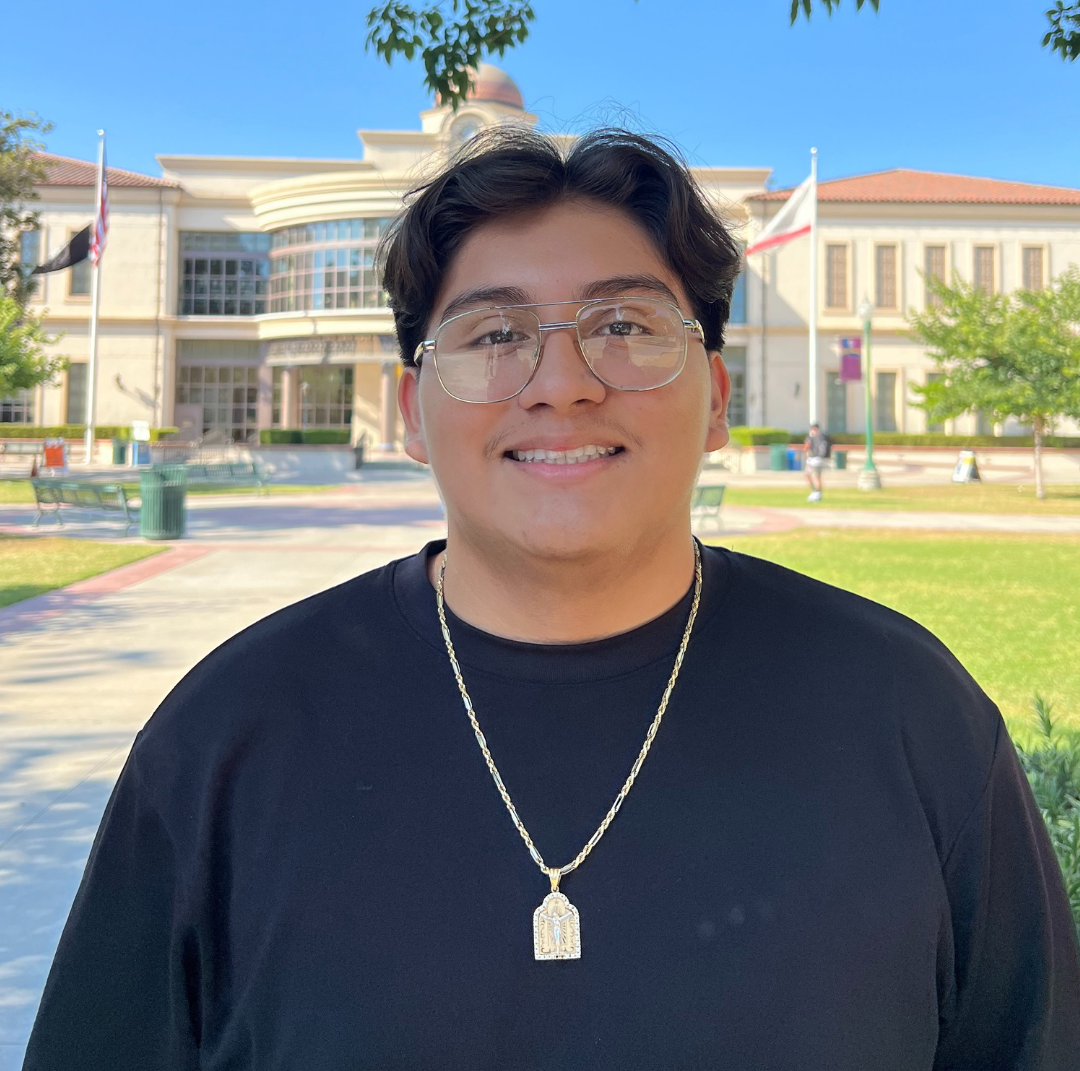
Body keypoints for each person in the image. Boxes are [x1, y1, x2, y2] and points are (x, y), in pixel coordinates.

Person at [24, 129, 1079, 1070]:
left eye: (624, 325)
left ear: (715, 399)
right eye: (493, 336)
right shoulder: (227, 739)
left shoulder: (908, 714)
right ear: (409, 410)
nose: (562, 380)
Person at [804, 421, 831, 501]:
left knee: (816, 476)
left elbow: (808, 447)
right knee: (809, 475)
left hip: (816, 459)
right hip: (815, 459)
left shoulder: (817, 437)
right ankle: (815, 491)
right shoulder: (816, 437)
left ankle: (817, 493)